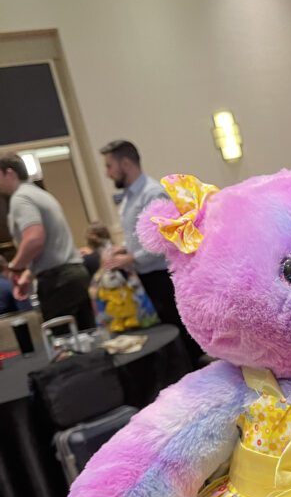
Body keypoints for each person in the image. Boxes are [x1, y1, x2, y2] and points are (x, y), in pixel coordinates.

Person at [99, 139, 201, 363]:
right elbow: (141, 237)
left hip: (163, 277)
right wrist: (123, 249)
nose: (107, 173)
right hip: (147, 278)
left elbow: (165, 241)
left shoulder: (152, 194)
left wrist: (131, 257)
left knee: (180, 338)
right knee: (167, 338)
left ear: (125, 164)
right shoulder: (129, 197)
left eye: (109, 166)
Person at [0, 153, 94, 329]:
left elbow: (35, 239)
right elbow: (51, 247)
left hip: (58, 281)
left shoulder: (20, 198)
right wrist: (28, 274)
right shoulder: (40, 194)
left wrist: (15, 267)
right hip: (75, 274)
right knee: (87, 338)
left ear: (9, 173)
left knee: (64, 345)